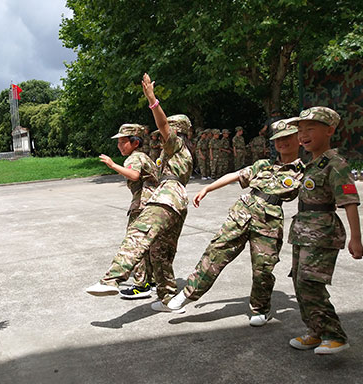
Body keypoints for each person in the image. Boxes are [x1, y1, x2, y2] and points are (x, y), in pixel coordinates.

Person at [167, 119, 305, 326]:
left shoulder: (303, 171)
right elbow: (235, 175)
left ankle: (260, 308)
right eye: (278, 139)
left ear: (299, 140)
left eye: (287, 138)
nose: (282, 143)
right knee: (215, 252)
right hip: (241, 215)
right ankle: (188, 293)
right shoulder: (263, 165)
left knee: (263, 268)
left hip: (269, 224)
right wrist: (207, 189)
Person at [86, 73, 193, 314]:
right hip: (178, 200)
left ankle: (111, 280)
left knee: (138, 234)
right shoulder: (179, 153)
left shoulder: (176, 145)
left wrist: (152, 100)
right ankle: (167, 299)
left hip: (167, 197)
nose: (159, 137)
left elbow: (164, 127)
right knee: (160, 252)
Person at [286, 106, 361, 355]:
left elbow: (349, 202)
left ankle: (335, 335)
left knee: (311, 284)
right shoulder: (312, 163)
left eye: (310, 129)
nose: (303, 135)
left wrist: (356, 239)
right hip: (303, 230)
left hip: (322, 232)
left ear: (329, 131)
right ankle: (316, 331)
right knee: (299, 282)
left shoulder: (335, 164)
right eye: (300, 130)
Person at [98, 124, 160, 299]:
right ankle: (153, 280)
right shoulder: (144, 156)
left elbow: (134, 175)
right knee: (150, 245)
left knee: (135, 244)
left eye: (123, 142)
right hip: (153, 204)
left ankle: (141, 285)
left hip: (142, 205)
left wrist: (112, 165)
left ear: (135, 142)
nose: (119, 146)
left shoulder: (134, 158)